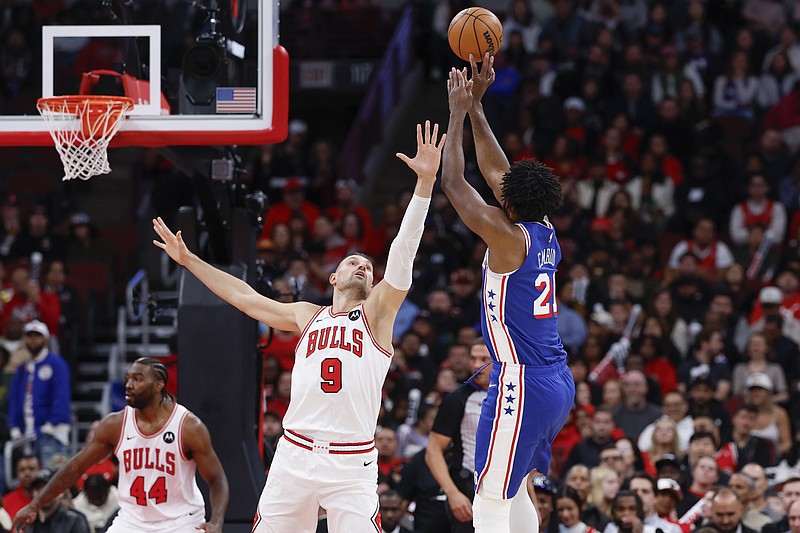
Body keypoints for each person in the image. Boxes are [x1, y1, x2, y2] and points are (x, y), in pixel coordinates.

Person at [153, 121, 446, 532]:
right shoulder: (308, 314)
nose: (362, 266)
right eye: (353, 262)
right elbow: (245, 298)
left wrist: (424, 186)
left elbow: (403, 251)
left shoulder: (378, 314)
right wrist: (190, 261)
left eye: (368, 266)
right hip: (295, 454)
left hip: (351, 460)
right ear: (332, 277)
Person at [442, 56, 575, 533]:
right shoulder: (544, 229)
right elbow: (500, 173)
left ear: (510, 201)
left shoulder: (506, 238)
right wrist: (478, 106)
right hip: (556, 380)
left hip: (522, 381)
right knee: (513, 485)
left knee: (489, 496)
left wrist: (457, 111)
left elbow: (454, 182)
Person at [11, 358, 229, 533]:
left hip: (181, 521)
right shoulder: (115, 425)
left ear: (158, 386)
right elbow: (75, 467)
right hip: (132, 521)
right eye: (128, 378)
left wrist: (217, 521)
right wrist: (34, 505)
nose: (129, 385)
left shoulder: (188, 426)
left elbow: (217, 479)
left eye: (138, 379)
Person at [426, 339, 493, 532]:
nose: (476, 365)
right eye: (473, 358)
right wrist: (452, 493)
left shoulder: (513, 396)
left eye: (484, 359)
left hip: (506, 486)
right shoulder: (457, 398)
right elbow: (433, 450)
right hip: (468, 487)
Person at [8, 320, 71, 467]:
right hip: (27, 436)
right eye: (29, 336)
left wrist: (51, 425)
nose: (33, 340)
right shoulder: (23, 368)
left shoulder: (56, 363)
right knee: (30, 483)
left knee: (52, 479)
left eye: (37, 336)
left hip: (51, 434)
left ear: (46, 339)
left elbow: (61, 397)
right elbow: (15, 399)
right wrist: (14, 427)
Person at [23, 469, 90, 533]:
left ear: (60, 492)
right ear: (32, 494)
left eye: (48, 488)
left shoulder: (75, 520)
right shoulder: (25, 522)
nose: (43, 493)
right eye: (38, 488)